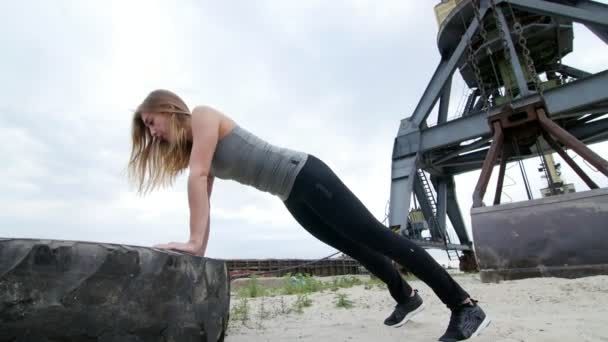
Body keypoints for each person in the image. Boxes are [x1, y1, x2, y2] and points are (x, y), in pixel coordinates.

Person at [127, 89, 490, 341]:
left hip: (305, 174)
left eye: (151, 121)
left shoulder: (202, 116)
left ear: (168, 107)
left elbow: (199, 178)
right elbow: (203, 192)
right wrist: (197, 247)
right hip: (291, 195)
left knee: (381, 239)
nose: (152, 131)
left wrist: (191, 241)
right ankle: (405, 296)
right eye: (146, 128)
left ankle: (464, 306)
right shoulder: (195, 149)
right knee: (359, 249)